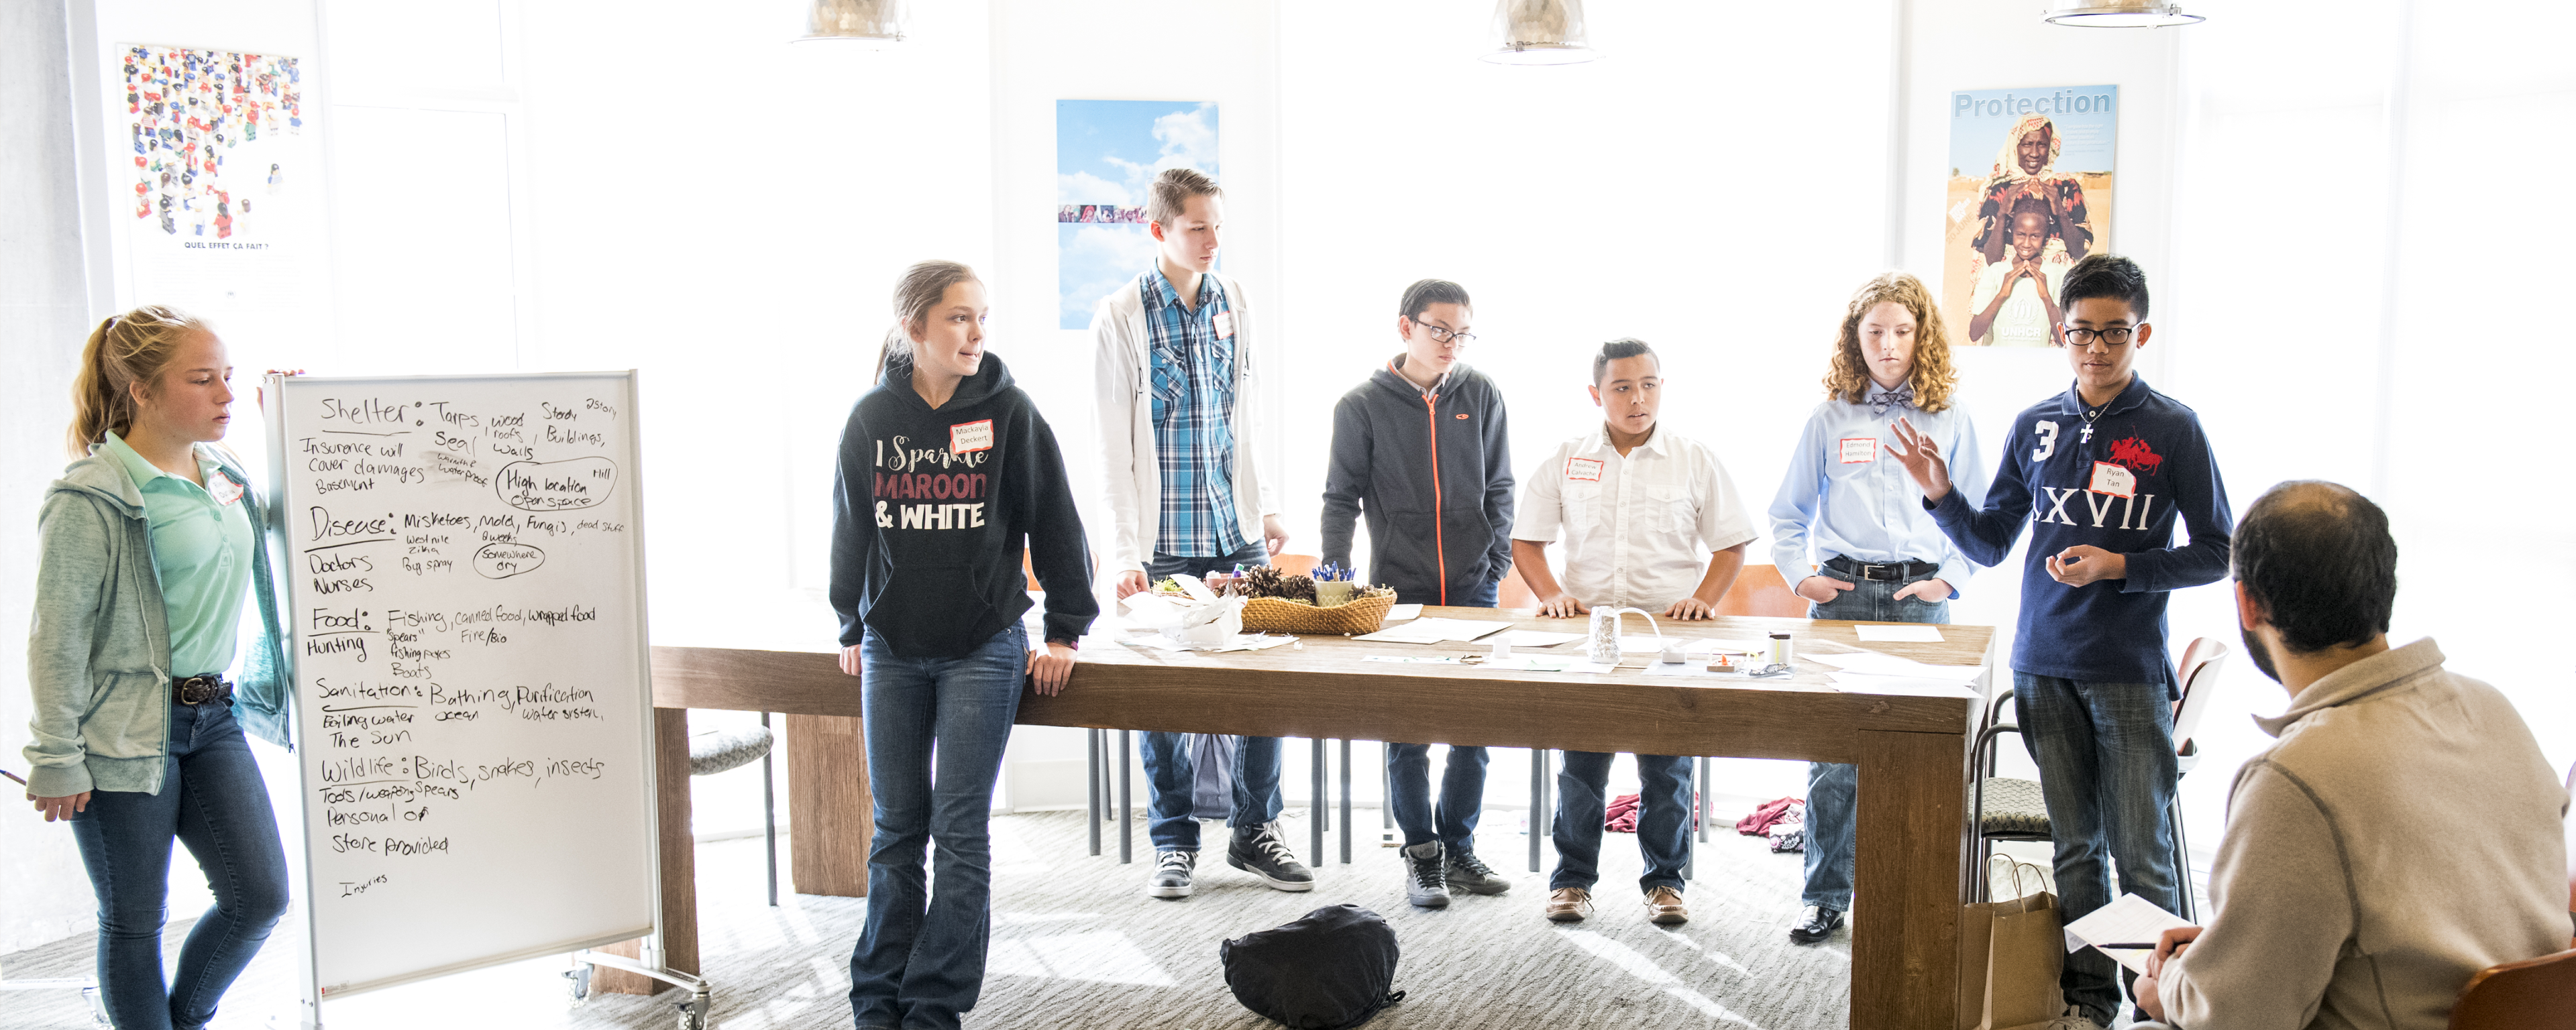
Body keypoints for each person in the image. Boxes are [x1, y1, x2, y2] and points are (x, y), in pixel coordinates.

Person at [1892, 254, 2235, 1028]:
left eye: (2115, 333)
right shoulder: (2036, 426)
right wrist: (1941, 493)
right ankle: (2090, 1000)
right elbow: (1987, 544)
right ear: (2061, 331)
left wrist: (2122, 564)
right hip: (2043, 665)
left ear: (2141, 333)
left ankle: (2162, 1006)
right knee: (2077, 850)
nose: (2097, 349)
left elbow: (2221, 550)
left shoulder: (2173, 428)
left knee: (2141, 853)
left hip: (2127, 671)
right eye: (2081, 333)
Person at [2133, 481, 2571, 1029]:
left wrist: (2169, 987)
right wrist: (2229, 953)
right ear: (2384, 584)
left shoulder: (2296, 778)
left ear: (2247, 603)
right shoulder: (2493, 709)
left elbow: (2235, 1019)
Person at [831, 260, 1097, 1030]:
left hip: (983, 648)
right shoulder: (870, 421)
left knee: (958, 832)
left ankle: (933, 1008)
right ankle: (876, 1003)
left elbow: (1055, 522)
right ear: (915, 327)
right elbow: (851, 529)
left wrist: (1066, 631)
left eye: (981, 317)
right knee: (894, 833)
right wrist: (850, 621)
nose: (976, 332)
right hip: (893, 648)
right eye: (958, 318)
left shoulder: (1009, 411)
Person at [25, 306, 294, 1030]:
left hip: (215, 718)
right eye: (202, 380)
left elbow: (298, 526)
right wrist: (56, 755)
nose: (225, 396)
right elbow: (57, 638)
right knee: (137, 919)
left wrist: (298, 423)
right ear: (141, 391)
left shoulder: (225, 470)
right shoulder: (92, 497)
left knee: (261, 895)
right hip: (120, 730)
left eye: (229, 378)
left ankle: (184, 1020)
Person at [1089, 167, 1309, 900]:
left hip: (1234, 529)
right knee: (1163, 699)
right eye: (1197, 227)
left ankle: (1255, 831)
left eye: (1218, 224)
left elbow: (1243, 422)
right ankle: (1174, 840)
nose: (1213, 240)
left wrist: (1267, 506)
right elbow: (1113, 447)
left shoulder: (1235, 302)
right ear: (1159, 231)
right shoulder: (1121, 316)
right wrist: (1125, 554)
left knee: (1264, 688)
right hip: (1162, 542)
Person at [1766, 272, 1988, 946]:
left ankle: (1912, 897)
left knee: (1920, 752)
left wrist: (1947, 582)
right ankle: (1825, 897)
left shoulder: (1950, 418)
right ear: (1854, 340)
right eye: (1875, 332)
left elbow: (1980, 521)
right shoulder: (1829, 419)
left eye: (1901, 331)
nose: (1888, 344)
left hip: (1917, 601)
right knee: (1834, 759)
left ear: (1922, 337)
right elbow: (1786, 517)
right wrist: (1804, 579)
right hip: (1840, 601)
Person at [1511, 338, 1758, 927]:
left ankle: (1665, 883)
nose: (1637, 398)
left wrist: (1704, 599)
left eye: (1648, 384)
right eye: (1622, 387)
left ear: (1662, 387)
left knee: (1666, 770)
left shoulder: (1694, 458)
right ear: (1597, 394)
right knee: (1582, 771)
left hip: (1668, 638)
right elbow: (1527, 540)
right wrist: (1550, 594)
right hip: (1589, 637)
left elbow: (1731, 544)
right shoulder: (1566, 457)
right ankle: (1572, 882)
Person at [1318, 278, 1515, 909]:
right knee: (1406, 730)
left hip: (1471, 589)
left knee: (1474, 728)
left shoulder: (1480, 393)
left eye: (1462, 332)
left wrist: (1496, 562)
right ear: (1406, 328)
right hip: (1396, 593)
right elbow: (1339, 498)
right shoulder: (1361, 406)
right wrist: (1335, 578)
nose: (1451, 343)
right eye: (1440, 330)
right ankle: (1421, 854)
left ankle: (1459, 848)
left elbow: (1501, 486)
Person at [1971, 113, 2093, 266]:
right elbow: (1992, 259)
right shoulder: (1999, 190)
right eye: (2027, 144)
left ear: (2050, 148)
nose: (2035, 153)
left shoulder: (2066, 186)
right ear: (2015, 147)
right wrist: (2002, 213)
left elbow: (2079, 251)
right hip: (2010, 277)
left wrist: (2061, 213)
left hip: (2058, 276)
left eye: (2042, 145)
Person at [1967, 198, 2072, 347]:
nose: (2027, 243)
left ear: (2045, 237)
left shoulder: (2057, 274)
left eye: (2035, 236)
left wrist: (2046, 298)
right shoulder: (1996, 272)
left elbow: (2065, 341)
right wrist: (2001, 295)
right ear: (2012, 232)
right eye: (2021, 234)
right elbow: (1974, 333)